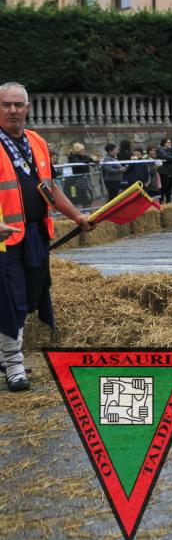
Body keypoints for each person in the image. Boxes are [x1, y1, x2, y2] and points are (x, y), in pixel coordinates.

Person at [0, 82, 90, 391]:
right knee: (11, 299)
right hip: (4, 241)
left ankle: (6, 352)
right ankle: (13, 364)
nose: (13, 110)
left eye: (18, 104)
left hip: (35, 234)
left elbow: (49, 188)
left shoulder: (36, 141)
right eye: (6, 104)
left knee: (29, 297)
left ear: (27, 108)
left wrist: (77, 216)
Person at [155, 137, 172, 204]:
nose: (170, 143)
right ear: (164, 143)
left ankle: (168, 202)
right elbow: (165, 157)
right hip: (164, 173)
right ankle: (161, 202)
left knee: (169, 189)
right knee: (164, 188)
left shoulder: (171, 150)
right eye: (168, 142)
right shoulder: (161, 150)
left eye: (170, 142)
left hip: (171, 172)